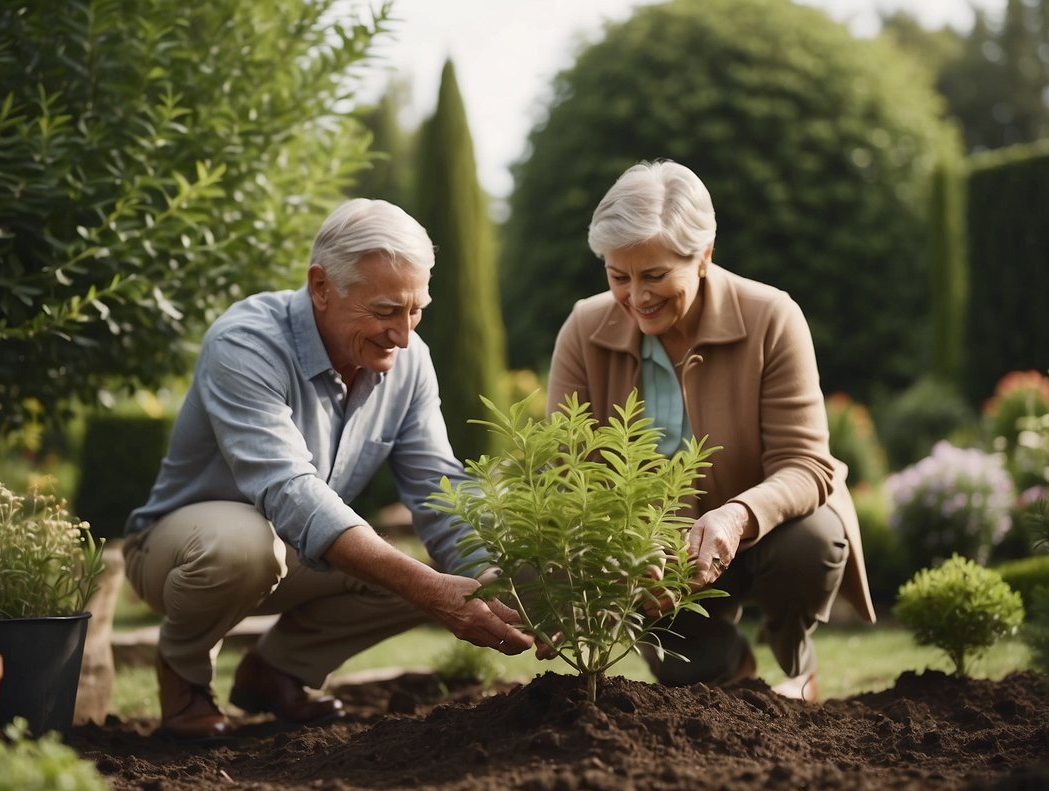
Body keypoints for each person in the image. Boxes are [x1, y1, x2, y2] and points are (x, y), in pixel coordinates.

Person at [123, 199, 534, 740]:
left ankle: (276, 671)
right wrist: (431, 590)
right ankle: (184, 675)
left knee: (423, 576)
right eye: (386, 310)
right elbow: (288, 490)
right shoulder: (247, 341)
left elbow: (441, 491)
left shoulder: (409, 362)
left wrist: (496, 583)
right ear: (321, 286)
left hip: (292, 552)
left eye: (416, 311)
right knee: (249, 544)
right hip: (182, 551)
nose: (404, 335)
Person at [547, 160, 875, 702]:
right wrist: (633, 545)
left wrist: (736, 516)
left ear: (703, 257)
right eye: (617, 276)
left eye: (654, 275)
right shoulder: (584, 329)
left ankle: (793, 654)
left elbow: (806, 464)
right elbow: (569, 469)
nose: (635, 296)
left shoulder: (771, 316)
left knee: (813, 541)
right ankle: (737, 676)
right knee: (690, 675)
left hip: (763, 531)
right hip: (657, 552)